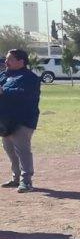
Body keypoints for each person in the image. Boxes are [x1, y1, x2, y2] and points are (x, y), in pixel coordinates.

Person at [0, 49, 40, 192]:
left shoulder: (30, 78)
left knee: (22, 152)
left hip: (22, 121)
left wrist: (3, 91)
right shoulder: (4, 75)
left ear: (21, 62)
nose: (6, 62)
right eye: (6, 59)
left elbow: (22, 94)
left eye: (10, 59)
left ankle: (27, 181)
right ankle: (16, 178)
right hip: (5, 122)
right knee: (10, 150)